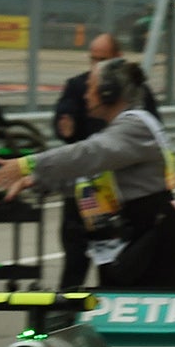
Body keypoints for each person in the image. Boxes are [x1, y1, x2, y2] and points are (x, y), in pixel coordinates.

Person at [0, 58, 175, 347]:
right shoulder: (123, 129)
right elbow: (90, 173)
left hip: (151, 241)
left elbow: (90, 154)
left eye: (90, 87)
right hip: (135, 240)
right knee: (143, 333)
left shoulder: (135, 125)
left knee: (150, 332)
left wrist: (30, 162)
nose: (83, 94)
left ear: (109, 93)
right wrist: (35, 178)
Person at [52, 33, 155, 290]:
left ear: (117, 59)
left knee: (114, 267)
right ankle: (64, 319)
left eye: (103, 60)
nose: (95, 66)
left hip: (118, 194)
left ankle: (110, 315)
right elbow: (64, 114)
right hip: (82, 191)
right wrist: (64, 124)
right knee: (75, 261)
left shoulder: (137, 95)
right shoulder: (78, 86)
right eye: (93, 59)